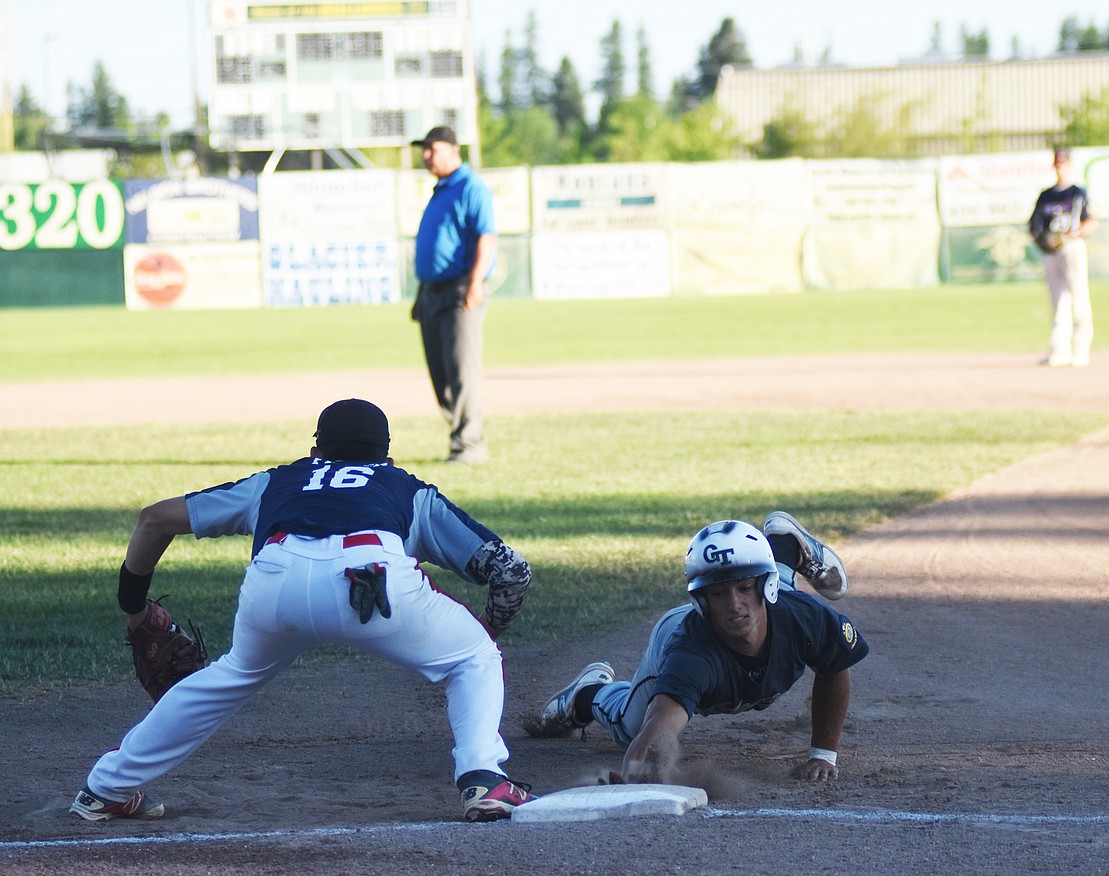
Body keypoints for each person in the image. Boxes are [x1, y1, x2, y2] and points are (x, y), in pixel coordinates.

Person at [70, 398, 536, 824]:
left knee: (229, 675)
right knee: (471, 655)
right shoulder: (405, 488)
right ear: (387, 457)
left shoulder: (279, 480)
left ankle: (106, 787)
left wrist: (133, 608)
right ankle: (482, 778)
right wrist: (487, 632)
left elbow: (154, 518)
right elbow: (511, 573)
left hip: (275, 578)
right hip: (370, 581)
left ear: (316, 450)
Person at [531, 512, 868, 784]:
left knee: (767, 589)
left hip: (777, 604)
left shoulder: (805, 619)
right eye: (718, 594)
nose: (734, 604)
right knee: (628, 727)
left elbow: (835, 665)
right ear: (702, 600)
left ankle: (784, 544)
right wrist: (636, 766)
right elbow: (661, 723)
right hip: (674, 634)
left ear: (762, 586)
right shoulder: (691, 653)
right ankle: (588, 694)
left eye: (745, 588)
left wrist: (823, 754)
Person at [410, 126, 497, 465]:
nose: (426, 155)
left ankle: (470, 446)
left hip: (461, 290)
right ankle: (462, 436)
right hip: (432, 292)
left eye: (432, 148)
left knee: (462, 371)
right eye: (425, 149)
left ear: (453, 150)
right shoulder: (440, 190)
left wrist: (475, 283)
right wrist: (421, 293)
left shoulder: (471, 187)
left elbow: (486, 237)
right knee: (441, 375)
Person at [1028, 147, 1098, 367]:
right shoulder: (1046, 195)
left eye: (1063, 164)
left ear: (1070, 165)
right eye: (1057, 164)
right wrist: (1042, 240)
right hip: (1051, 252)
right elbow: (1033, 226)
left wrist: (1073, 234)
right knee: (1057, 299)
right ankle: (1059, 350)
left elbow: (1092, 221)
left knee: (1078, 296)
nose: (1060, 168)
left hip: (1072, 246)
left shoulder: (1078, 193)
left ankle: (1080, 349)